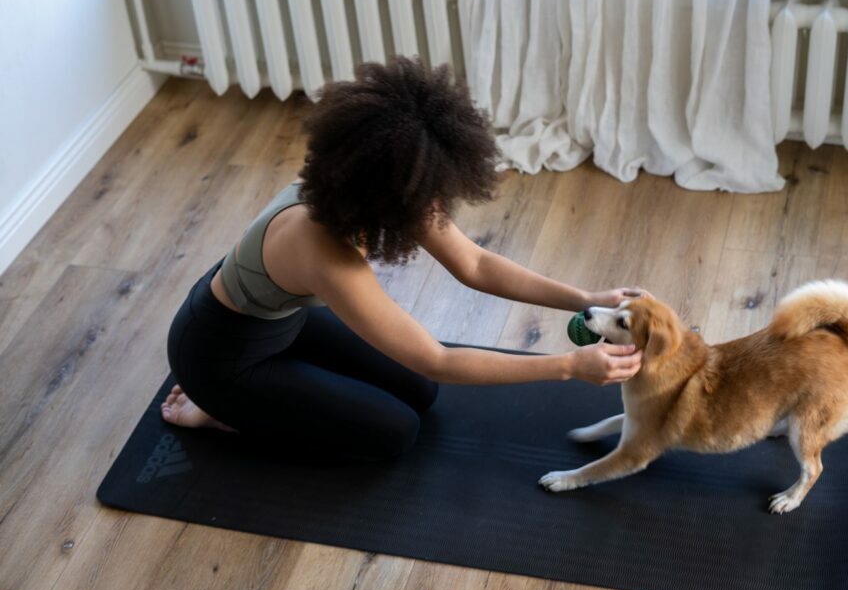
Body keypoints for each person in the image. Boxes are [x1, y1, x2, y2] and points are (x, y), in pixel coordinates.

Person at [163, 57, 644, 460]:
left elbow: (474, 265)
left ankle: (271, 390)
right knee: (393, 433)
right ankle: (219, 411)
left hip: (282, 321)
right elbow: (438, 359)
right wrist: (568, 366)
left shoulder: (380, 187)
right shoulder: (322, 248)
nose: (437, 207)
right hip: (220, 356)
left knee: (420, 392)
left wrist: (587, 298)